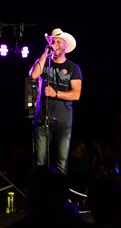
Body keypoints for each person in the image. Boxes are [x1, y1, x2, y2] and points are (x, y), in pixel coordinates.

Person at [28, 28, 83, 176]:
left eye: (59, 41)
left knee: (61, 163)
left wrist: (55, 93)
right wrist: (45, 53)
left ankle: (60, 196)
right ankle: (40, 195)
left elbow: (76, 94)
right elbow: (33, 75)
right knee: (40, 162)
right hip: (42, 119)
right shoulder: (44, 62)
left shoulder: (73, 68)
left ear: (65, 45)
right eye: (53, 41)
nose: (55, 44)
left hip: (63, 121)